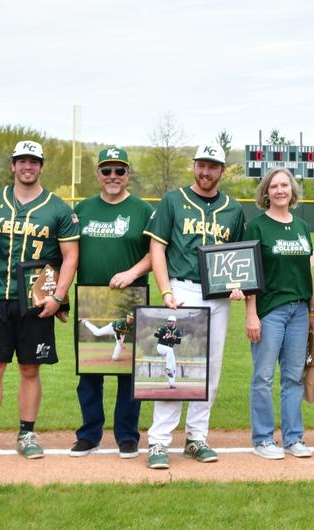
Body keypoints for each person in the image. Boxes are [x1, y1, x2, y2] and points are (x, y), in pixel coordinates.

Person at [0, 141, 80, 462]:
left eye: (33, 161)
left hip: (36, 303)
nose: (27, 166)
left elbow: (70, 257)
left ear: (41, 166)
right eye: (21, 161)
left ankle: (27, 432)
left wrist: (57, 297)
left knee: (30, 368)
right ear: (13, 165)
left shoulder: (58, 208)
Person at [142, 141, 246, 470]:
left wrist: (238, 285)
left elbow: (239, 258)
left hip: (218, 296)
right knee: (175, 367)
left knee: (210, 369)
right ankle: (159, 441)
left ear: (222, 170)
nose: (205, 171)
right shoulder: (173, 200)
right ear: (194, 165)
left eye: (212, 166)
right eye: (201, 164)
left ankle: (196, 437)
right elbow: (157, 248)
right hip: (182, 290)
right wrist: (165, 290)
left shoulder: (233, 209)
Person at [70, 146, 153, 459]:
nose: (113, 176)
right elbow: (68, 253)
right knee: (89, 371)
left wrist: (132, 273)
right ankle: (89, 435)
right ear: (98, 174)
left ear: (128, 174)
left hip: (130, 298)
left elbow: (156, 253)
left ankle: (127, 436)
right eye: (107, 170)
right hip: (90, 297)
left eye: (120, 170)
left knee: (128, 372)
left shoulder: (143, 210)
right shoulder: (83, 209)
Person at [242, 167, 314, 460]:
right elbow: (250, 274)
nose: (280, 190)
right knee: (263, 376)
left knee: (294, 377)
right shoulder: (257, 227)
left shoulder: (301, 226)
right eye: (273, 186)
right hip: (270, 310)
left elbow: (307, 272)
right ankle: (263, 439)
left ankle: (293, 438)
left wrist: (313, 309)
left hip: (299, 310)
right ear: (266, 192)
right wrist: (251, 314)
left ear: (292, 190)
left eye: (284, 185)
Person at [155, 315, 182, 389]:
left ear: (174, 322)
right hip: (161, 347)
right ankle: (167, 368)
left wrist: (173, 339)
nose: (168, 322)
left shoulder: (178, 331)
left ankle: (172, 384)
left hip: (169, 350)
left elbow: (179, 341)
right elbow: (156, 334)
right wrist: (164, 337)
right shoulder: (164, 328)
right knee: (170, 350)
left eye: (170, 321)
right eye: (168, 321)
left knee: (174, 365)